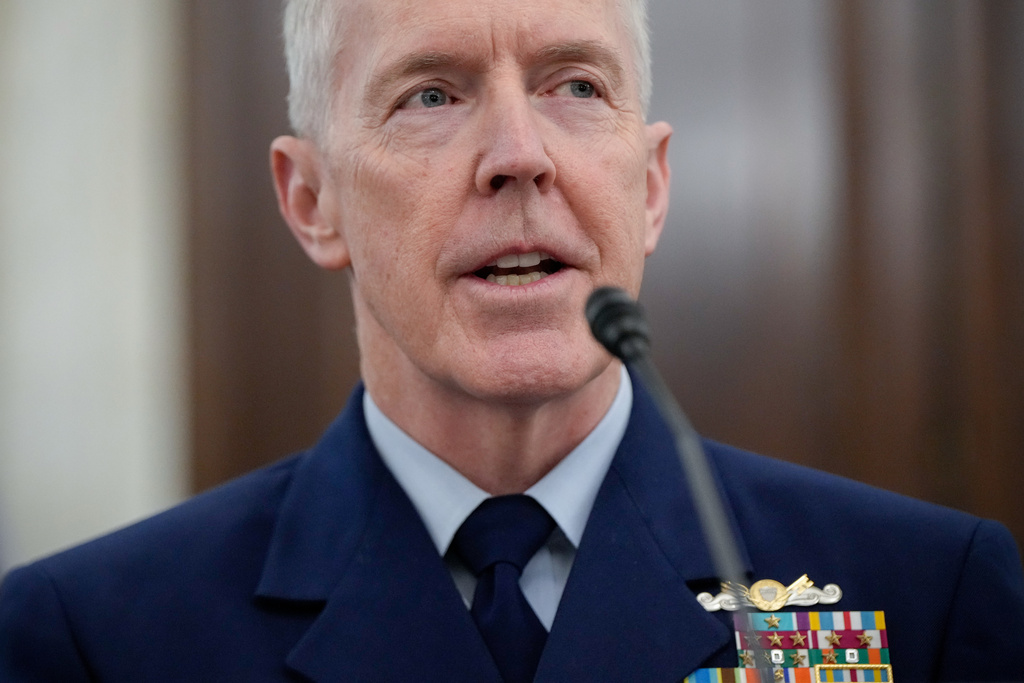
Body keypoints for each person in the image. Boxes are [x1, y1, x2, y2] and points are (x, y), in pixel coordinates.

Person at [2, 0, 1023, 680]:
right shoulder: (88, 636)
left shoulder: (924, 594)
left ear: (652, 184)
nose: (519, 156)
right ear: (312, 201)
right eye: (431, 96)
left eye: (574, 86)